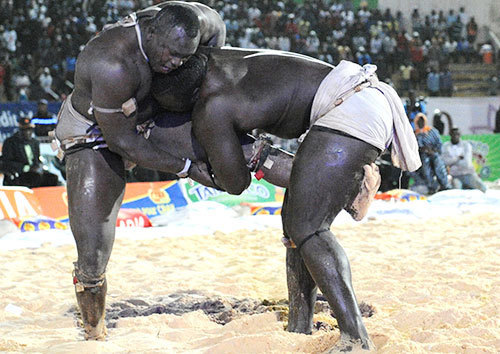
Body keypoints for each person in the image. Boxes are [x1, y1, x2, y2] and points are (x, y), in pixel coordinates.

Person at [148, 48, 421, 351]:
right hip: (356, 98)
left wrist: (188, 168)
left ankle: (356, 338)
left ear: (183, 100)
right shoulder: (216, 59)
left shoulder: (210, 108)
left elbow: (236, 184)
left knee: (310, 228)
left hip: (349, 111)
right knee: (293, 223)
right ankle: (300, 325)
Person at [53, 1, 226, 341]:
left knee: (238, 150)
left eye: (183, 57)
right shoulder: (110, 61)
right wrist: (186, 168)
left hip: (152, 115)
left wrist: (197, 83)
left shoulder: (202, 21)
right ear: (150, 32)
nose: (174, 63)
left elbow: (216, 33)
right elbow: (123, 142)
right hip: (96, 131)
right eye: (169, 53)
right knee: (92, 250)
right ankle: (93, 330)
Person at [1, 117, 59, 188]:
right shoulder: (10, 142)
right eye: (25, 130)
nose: (28, 132)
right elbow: (7, 162)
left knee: (52, 178)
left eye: (30, 130)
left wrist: (39, 167)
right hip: (20, 173)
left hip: (34, 172)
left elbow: (37, 160)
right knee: (35, 178)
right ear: (20, 130)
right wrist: (27, 168)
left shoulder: (34, 142)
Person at [412, 113, 450, 193]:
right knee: (426, 167)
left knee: (438, 164)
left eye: (422, 121)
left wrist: (433, 150)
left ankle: (445, 185)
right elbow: (413, 147)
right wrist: (421, 149)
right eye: (418, 121)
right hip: (422, 155)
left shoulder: (432, 131)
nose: (420, 123)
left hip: (434, 152)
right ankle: (432, 186)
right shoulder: (414, 134)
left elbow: (439, 144)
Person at [442, 128, 487, 192]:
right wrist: (458, 158)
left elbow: (466, 163)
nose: (455, 136)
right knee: (455, 191)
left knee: (483, 188)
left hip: (469, 174)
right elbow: (445, 161)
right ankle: (466, 186)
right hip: (456, 176)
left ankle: (468, 186)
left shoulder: (466, 145)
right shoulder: (445, 146)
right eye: (453, 134)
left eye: (457, 134)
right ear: (450, 134)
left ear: (460, 135)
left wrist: (452, 162)